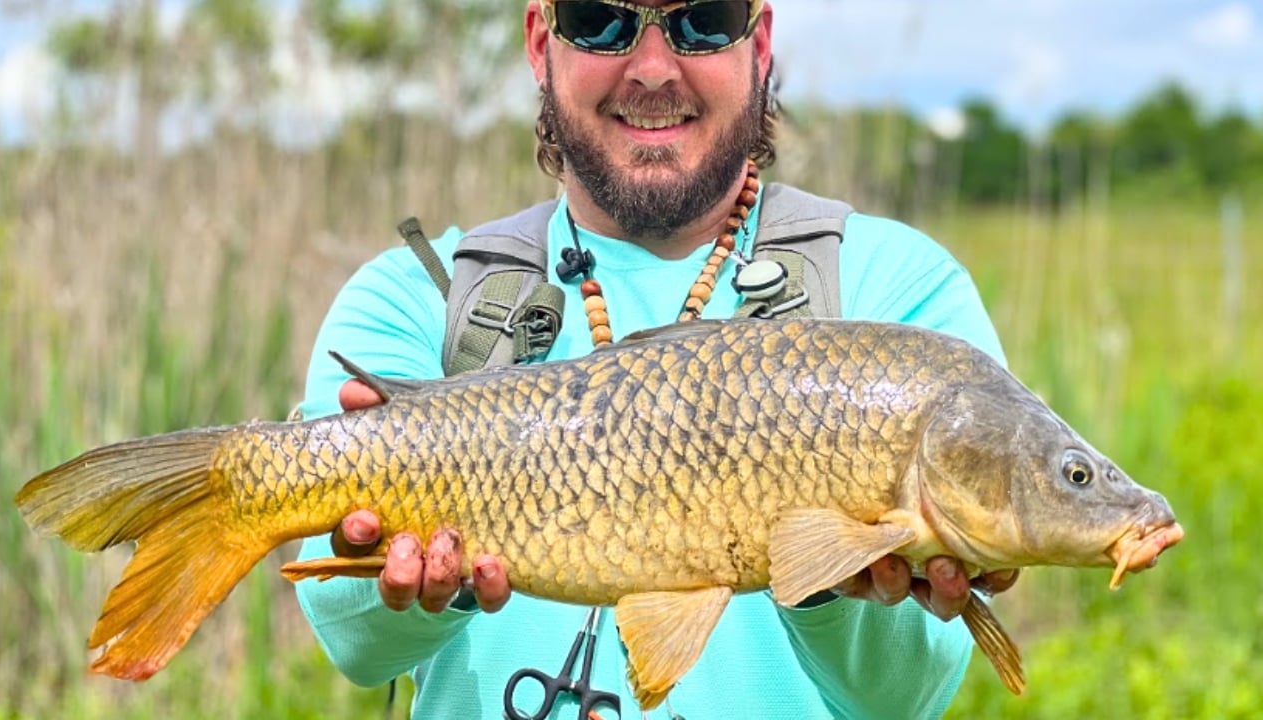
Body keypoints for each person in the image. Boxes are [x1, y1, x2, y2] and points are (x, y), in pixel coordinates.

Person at [294, 1, 1019, 717]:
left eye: (702, 19)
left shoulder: (895, 293)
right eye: (598, 18)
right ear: (540, 39)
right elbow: (355, 643)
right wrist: (421, 581)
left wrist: (825, 568)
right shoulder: (422, 293)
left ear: (759, 44)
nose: (651, 67)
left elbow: (907, 700)